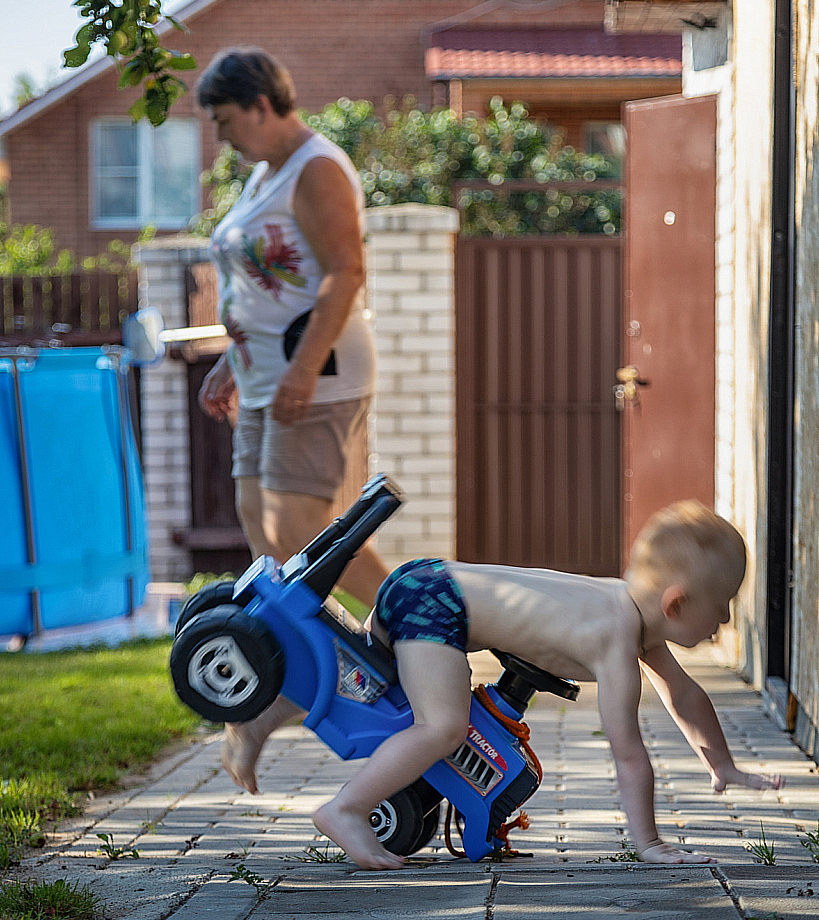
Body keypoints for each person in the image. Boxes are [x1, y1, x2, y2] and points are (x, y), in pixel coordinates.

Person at [307, 500, 782, 870]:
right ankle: (347, 808)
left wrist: (724, 766)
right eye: (722, 609)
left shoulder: (625, 608)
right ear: (675, 605)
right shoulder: (615, 644)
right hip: (439, 604)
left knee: (361, 684)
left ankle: (257, 723)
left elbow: (685, 696)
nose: (722, 623)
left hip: (425, 578)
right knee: (443, 728)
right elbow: (630, 756)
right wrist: (650, 843)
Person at [195, 47, 389, 788]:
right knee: (270, 552)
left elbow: (344, 272)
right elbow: (263, 286)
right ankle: (289, 689)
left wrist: (304, 367)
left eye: (224, 122)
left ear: (260, 104)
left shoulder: (316, 167)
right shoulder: (263, 174)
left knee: (306, 546)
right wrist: (228, 359)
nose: (223, 139)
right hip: (264, 379)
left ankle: (425, 636)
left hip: (318, 380)